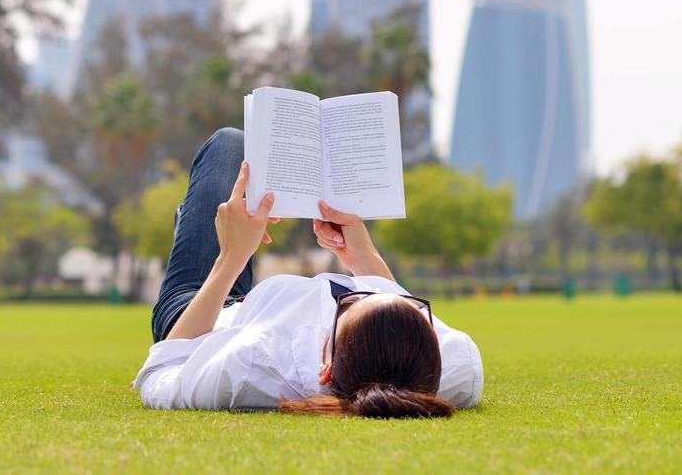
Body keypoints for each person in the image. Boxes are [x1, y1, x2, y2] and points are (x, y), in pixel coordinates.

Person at [134, 128, 483, 416]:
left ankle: (190, 224)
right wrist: (362, 257)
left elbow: (160, 372)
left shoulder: (249, 365)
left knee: (229, 144)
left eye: (347, 300)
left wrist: (230, 257)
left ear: (325, 368)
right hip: (251, 304)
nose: (353, 289)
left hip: (208, 317)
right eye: (402, 303)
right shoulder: (457, 364)